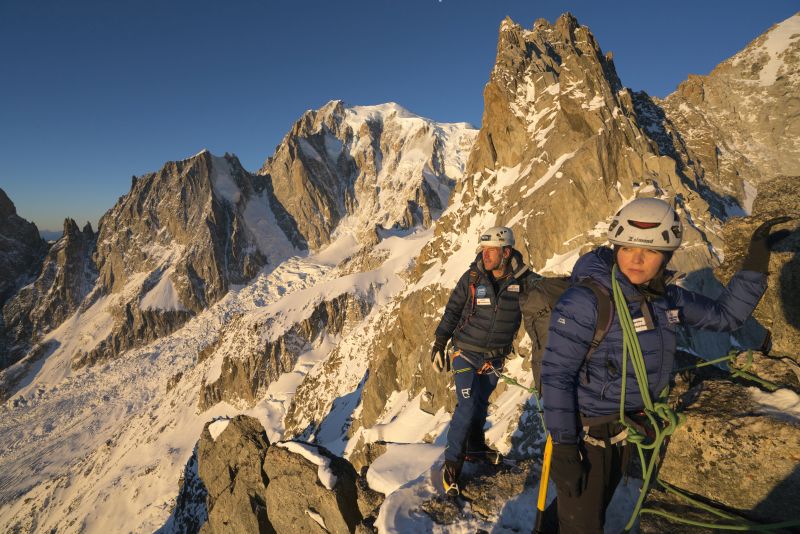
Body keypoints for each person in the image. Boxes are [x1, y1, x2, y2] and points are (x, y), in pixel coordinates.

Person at [540, 197, 786, 533]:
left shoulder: (665, 298)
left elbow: (726, 317)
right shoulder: (586, 301)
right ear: (616, 248)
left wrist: (756, 262)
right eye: (627, 248)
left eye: (650, 251)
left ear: (667, 256)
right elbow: (556, 377)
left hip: (629, 426)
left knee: (586, 506)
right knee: (582, 524)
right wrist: (567, 448)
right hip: (589, 436)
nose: (636, 260)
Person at [431, 226, 529, 496]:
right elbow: (453, 309)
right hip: (464, 351)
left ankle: (474, 447)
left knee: (479, 404)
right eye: (483, 250)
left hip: (494, 357)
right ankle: (452, 463)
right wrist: (440, 342)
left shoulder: (522, 280)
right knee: (468, 402)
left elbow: (543, 297)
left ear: (506, 252)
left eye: (491, 251)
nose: (485, 255)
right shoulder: (472, 278)